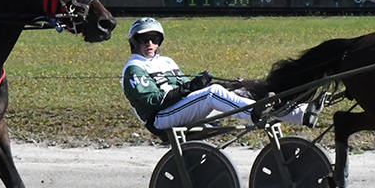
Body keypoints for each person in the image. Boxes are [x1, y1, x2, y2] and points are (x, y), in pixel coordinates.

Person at [122, 17, 321, 135]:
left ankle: (301, 113)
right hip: (160, 119)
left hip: (178, 110)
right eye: (144, 39)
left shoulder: (166, 61)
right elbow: (154, 102)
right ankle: (253, 114)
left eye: (154, 39)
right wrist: (190, 88)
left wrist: (195, 85)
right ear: (134, 42)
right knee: (213, 93)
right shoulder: (134, 69)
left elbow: (184, 89)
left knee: (241, 90)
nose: (150, 44)